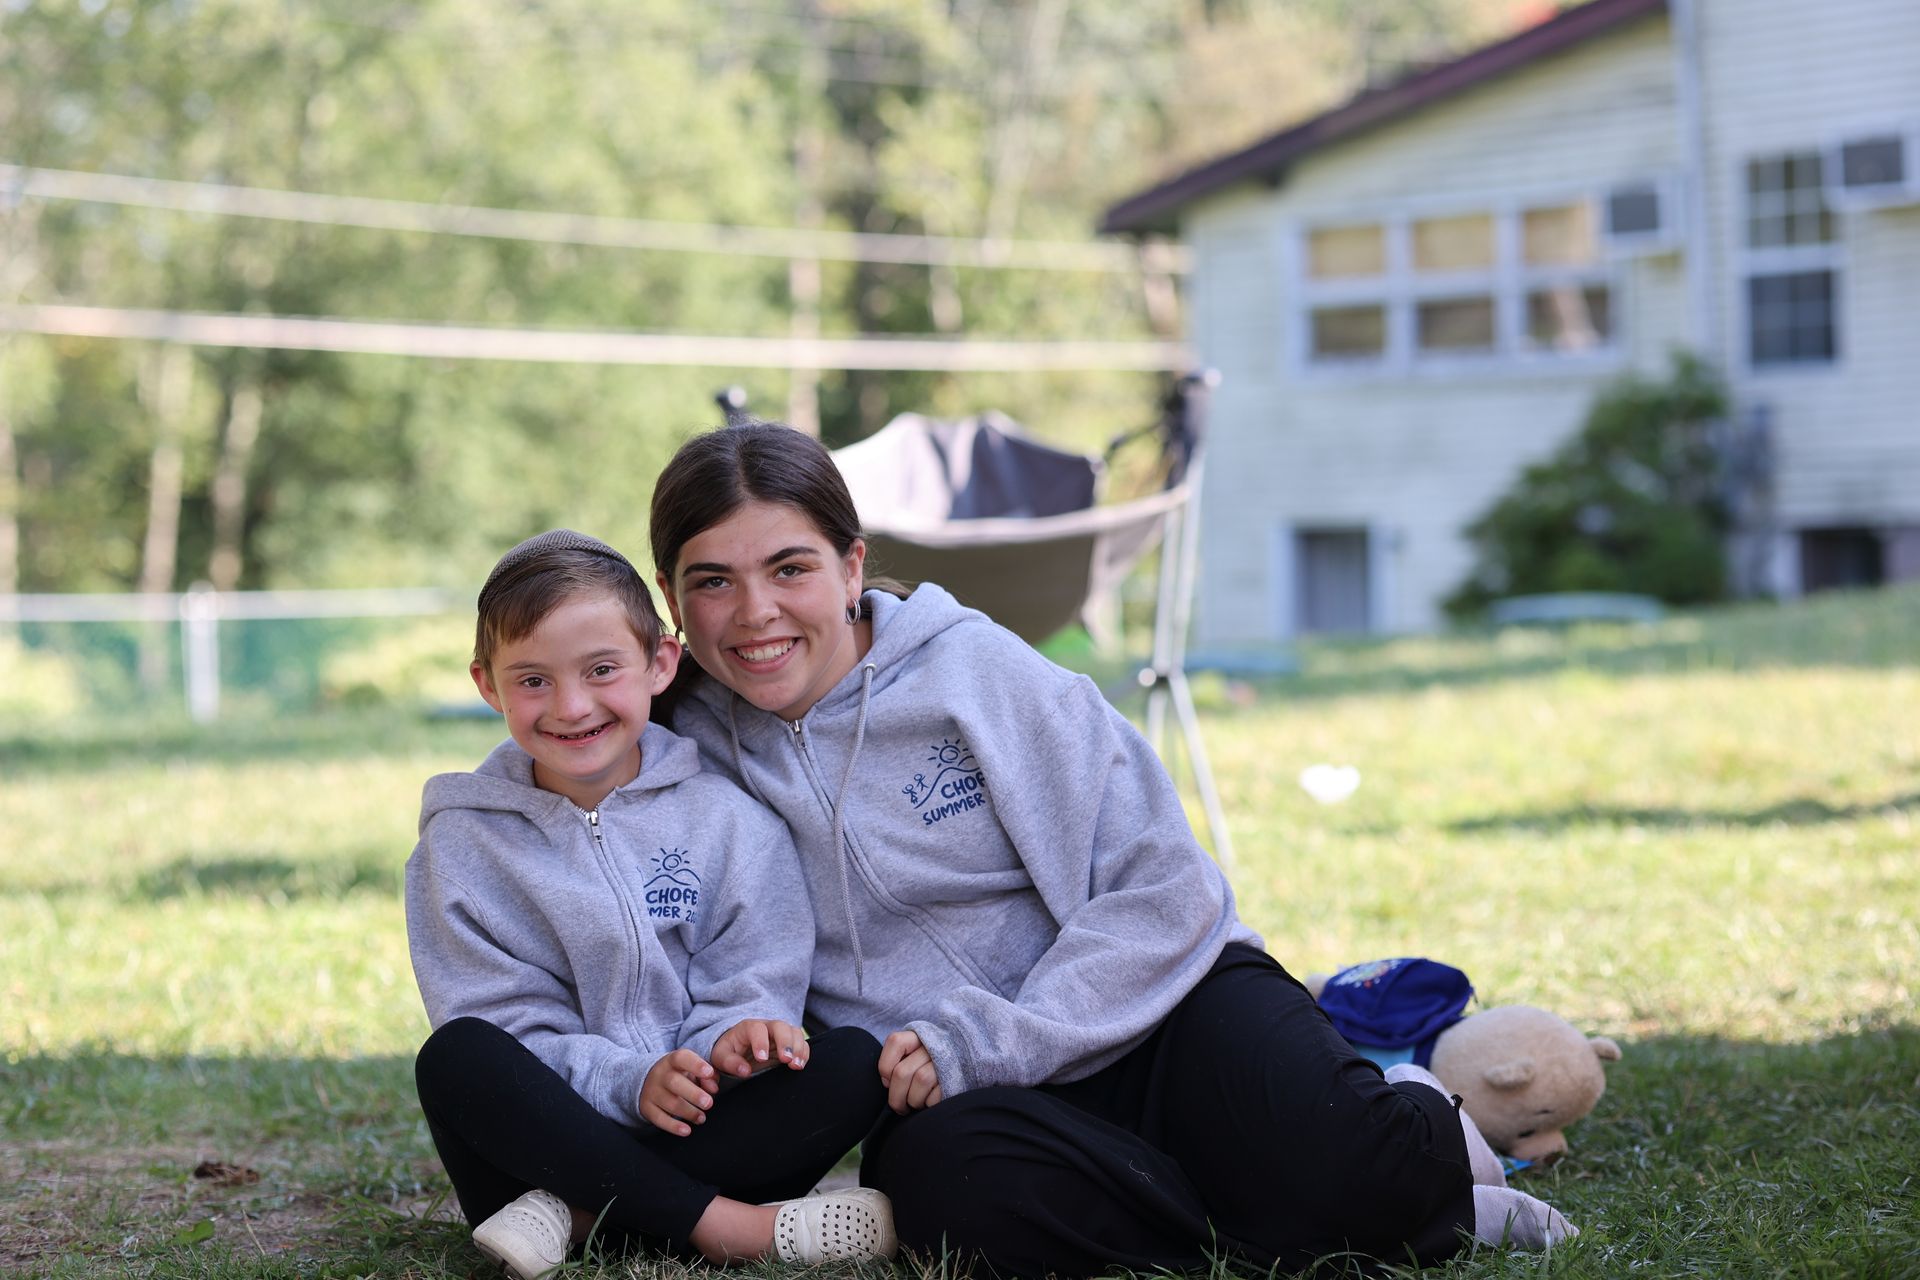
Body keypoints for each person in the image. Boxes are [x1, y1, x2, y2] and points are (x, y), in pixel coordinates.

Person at [647, 422, 1578, 1278]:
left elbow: (1165, 889)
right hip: (961, 1089)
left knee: (1358, 1171)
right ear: (673, 603)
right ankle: (1287, 1211)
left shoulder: (974, 671)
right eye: (712, 581)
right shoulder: (673, 746)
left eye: (789, 568)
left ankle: (1414, 1124)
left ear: (852, 568)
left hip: (1161, 1008)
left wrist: (997, 1035)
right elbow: (557, 730)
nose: (755, 613)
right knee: (947, 1192)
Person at [406, 528, 897, 1280]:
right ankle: (733, 1229)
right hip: (540, 1152)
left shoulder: (730, 820)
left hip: (678, 1136)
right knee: (459, 1057)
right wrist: (631, 1082)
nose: (571, 706)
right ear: (486, 685)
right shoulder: (464, 845)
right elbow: (509, 1026)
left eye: (602, 669)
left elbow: (755, 976)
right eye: (532, 680)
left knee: (856, 1059)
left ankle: (577, 1216)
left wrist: (729, 1047)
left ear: (661, 662)